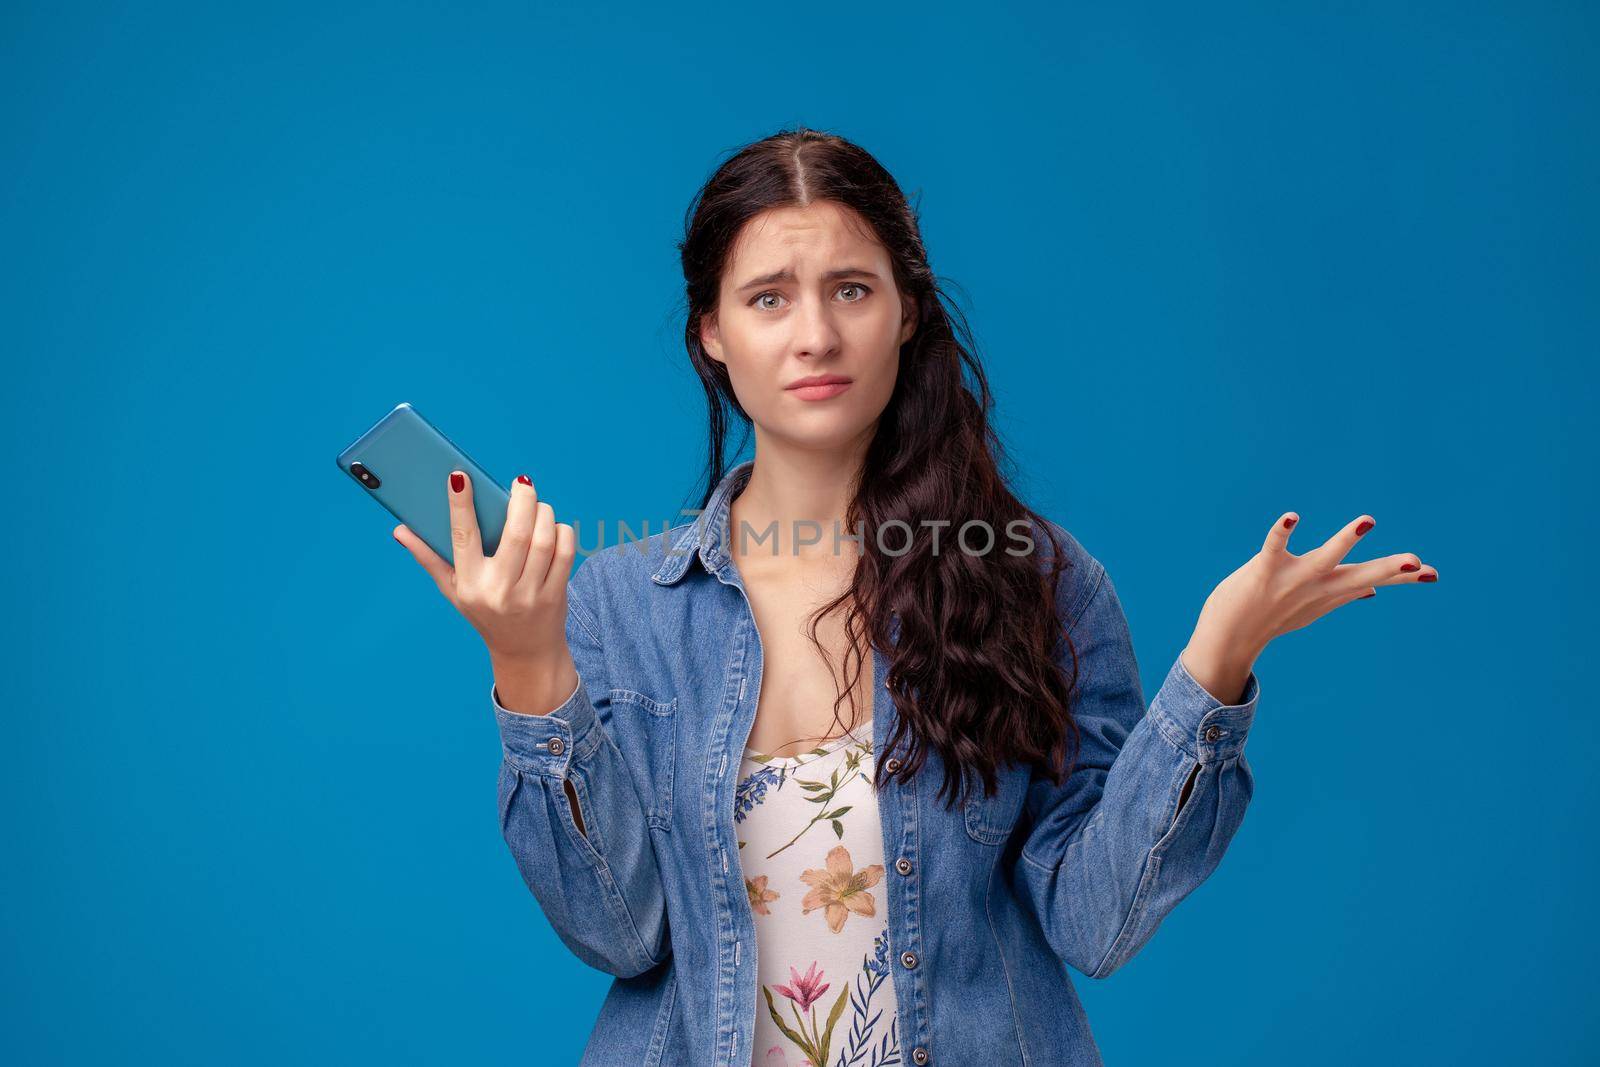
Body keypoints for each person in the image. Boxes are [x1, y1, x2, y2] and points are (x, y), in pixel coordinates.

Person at [393, 127, 1437, 1067]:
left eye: (851, 288)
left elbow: (1093, 924)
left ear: (907, 312)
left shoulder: (1033, 577)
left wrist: (1217, 658)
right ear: (710, 331)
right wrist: (529, 666)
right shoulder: (619, 603)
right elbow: (620, 933)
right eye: (768, 298)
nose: (814, 335)